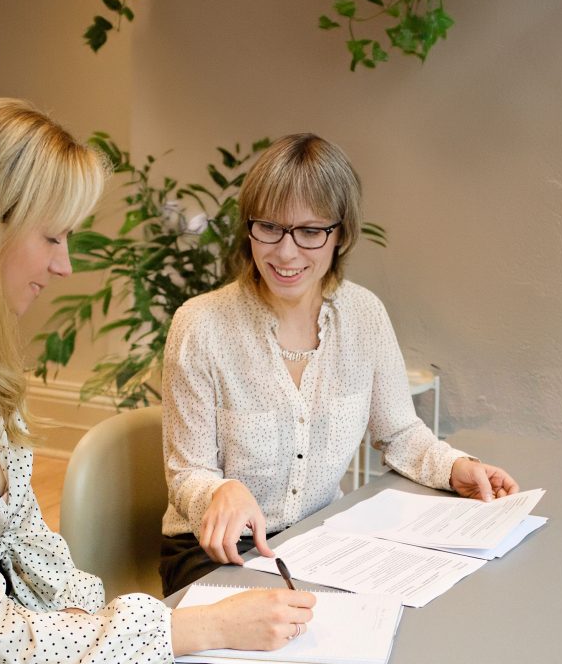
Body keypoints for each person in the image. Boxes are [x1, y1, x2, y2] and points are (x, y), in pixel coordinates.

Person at [0, 100, 314, 664]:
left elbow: (35, 554)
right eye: (53, 237)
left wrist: (130, 629)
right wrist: (193, 630)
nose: (65, 266)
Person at [160, 133, 519, 594]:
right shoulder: (201, 326)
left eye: (310, 232)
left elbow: (398, 433)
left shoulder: (364, 315)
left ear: (341, 235)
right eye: (269, 227)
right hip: (214, 553)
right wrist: (216, 493)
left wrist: (455, 468)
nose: (286, 252)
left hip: (318, 542)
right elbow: (187, 474)